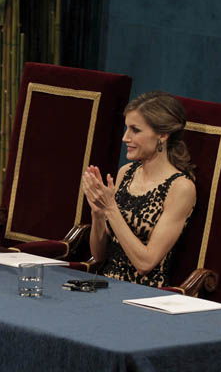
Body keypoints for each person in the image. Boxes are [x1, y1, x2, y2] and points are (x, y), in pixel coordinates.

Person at [81, 91, 196, 286]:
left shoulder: (181, 188)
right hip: (105, 284)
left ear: (162, 134)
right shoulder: (126, 172)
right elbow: (99, 256)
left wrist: (111, 208)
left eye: (135, 130)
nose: (125, 137)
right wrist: (98, 213)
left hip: (144, 294)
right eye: (126, 128)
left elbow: (146, 263)